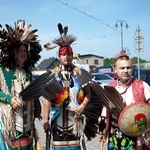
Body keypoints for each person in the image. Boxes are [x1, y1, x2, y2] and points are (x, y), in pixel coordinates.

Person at [41, 23, 102, 150]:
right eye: (64, 54)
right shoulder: (54, 75)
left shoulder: (79, 73)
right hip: (57, 124)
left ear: (72, 55)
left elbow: (88, 93)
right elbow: (47, 100)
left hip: (75, 124)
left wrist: (83, 105)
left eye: (69, 54)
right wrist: (45, 121)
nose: (67, 57)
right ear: (59, 56)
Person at [0, 20, 42, 149]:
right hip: (11, 127)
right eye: (20, 51)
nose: (23, 53)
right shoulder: (2, 71)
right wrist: (9, 99)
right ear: (14, 52)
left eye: (25, 51)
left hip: (28, 128)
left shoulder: (28, 73)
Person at [98, 50, 150, 150]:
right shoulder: (110, 88)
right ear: (115, 69)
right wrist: (102, 131)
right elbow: (105, 112)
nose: (125, 71)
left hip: (135, 134)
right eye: (122, 68)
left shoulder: (142, 86)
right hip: (114, 135)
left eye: (128, 67)